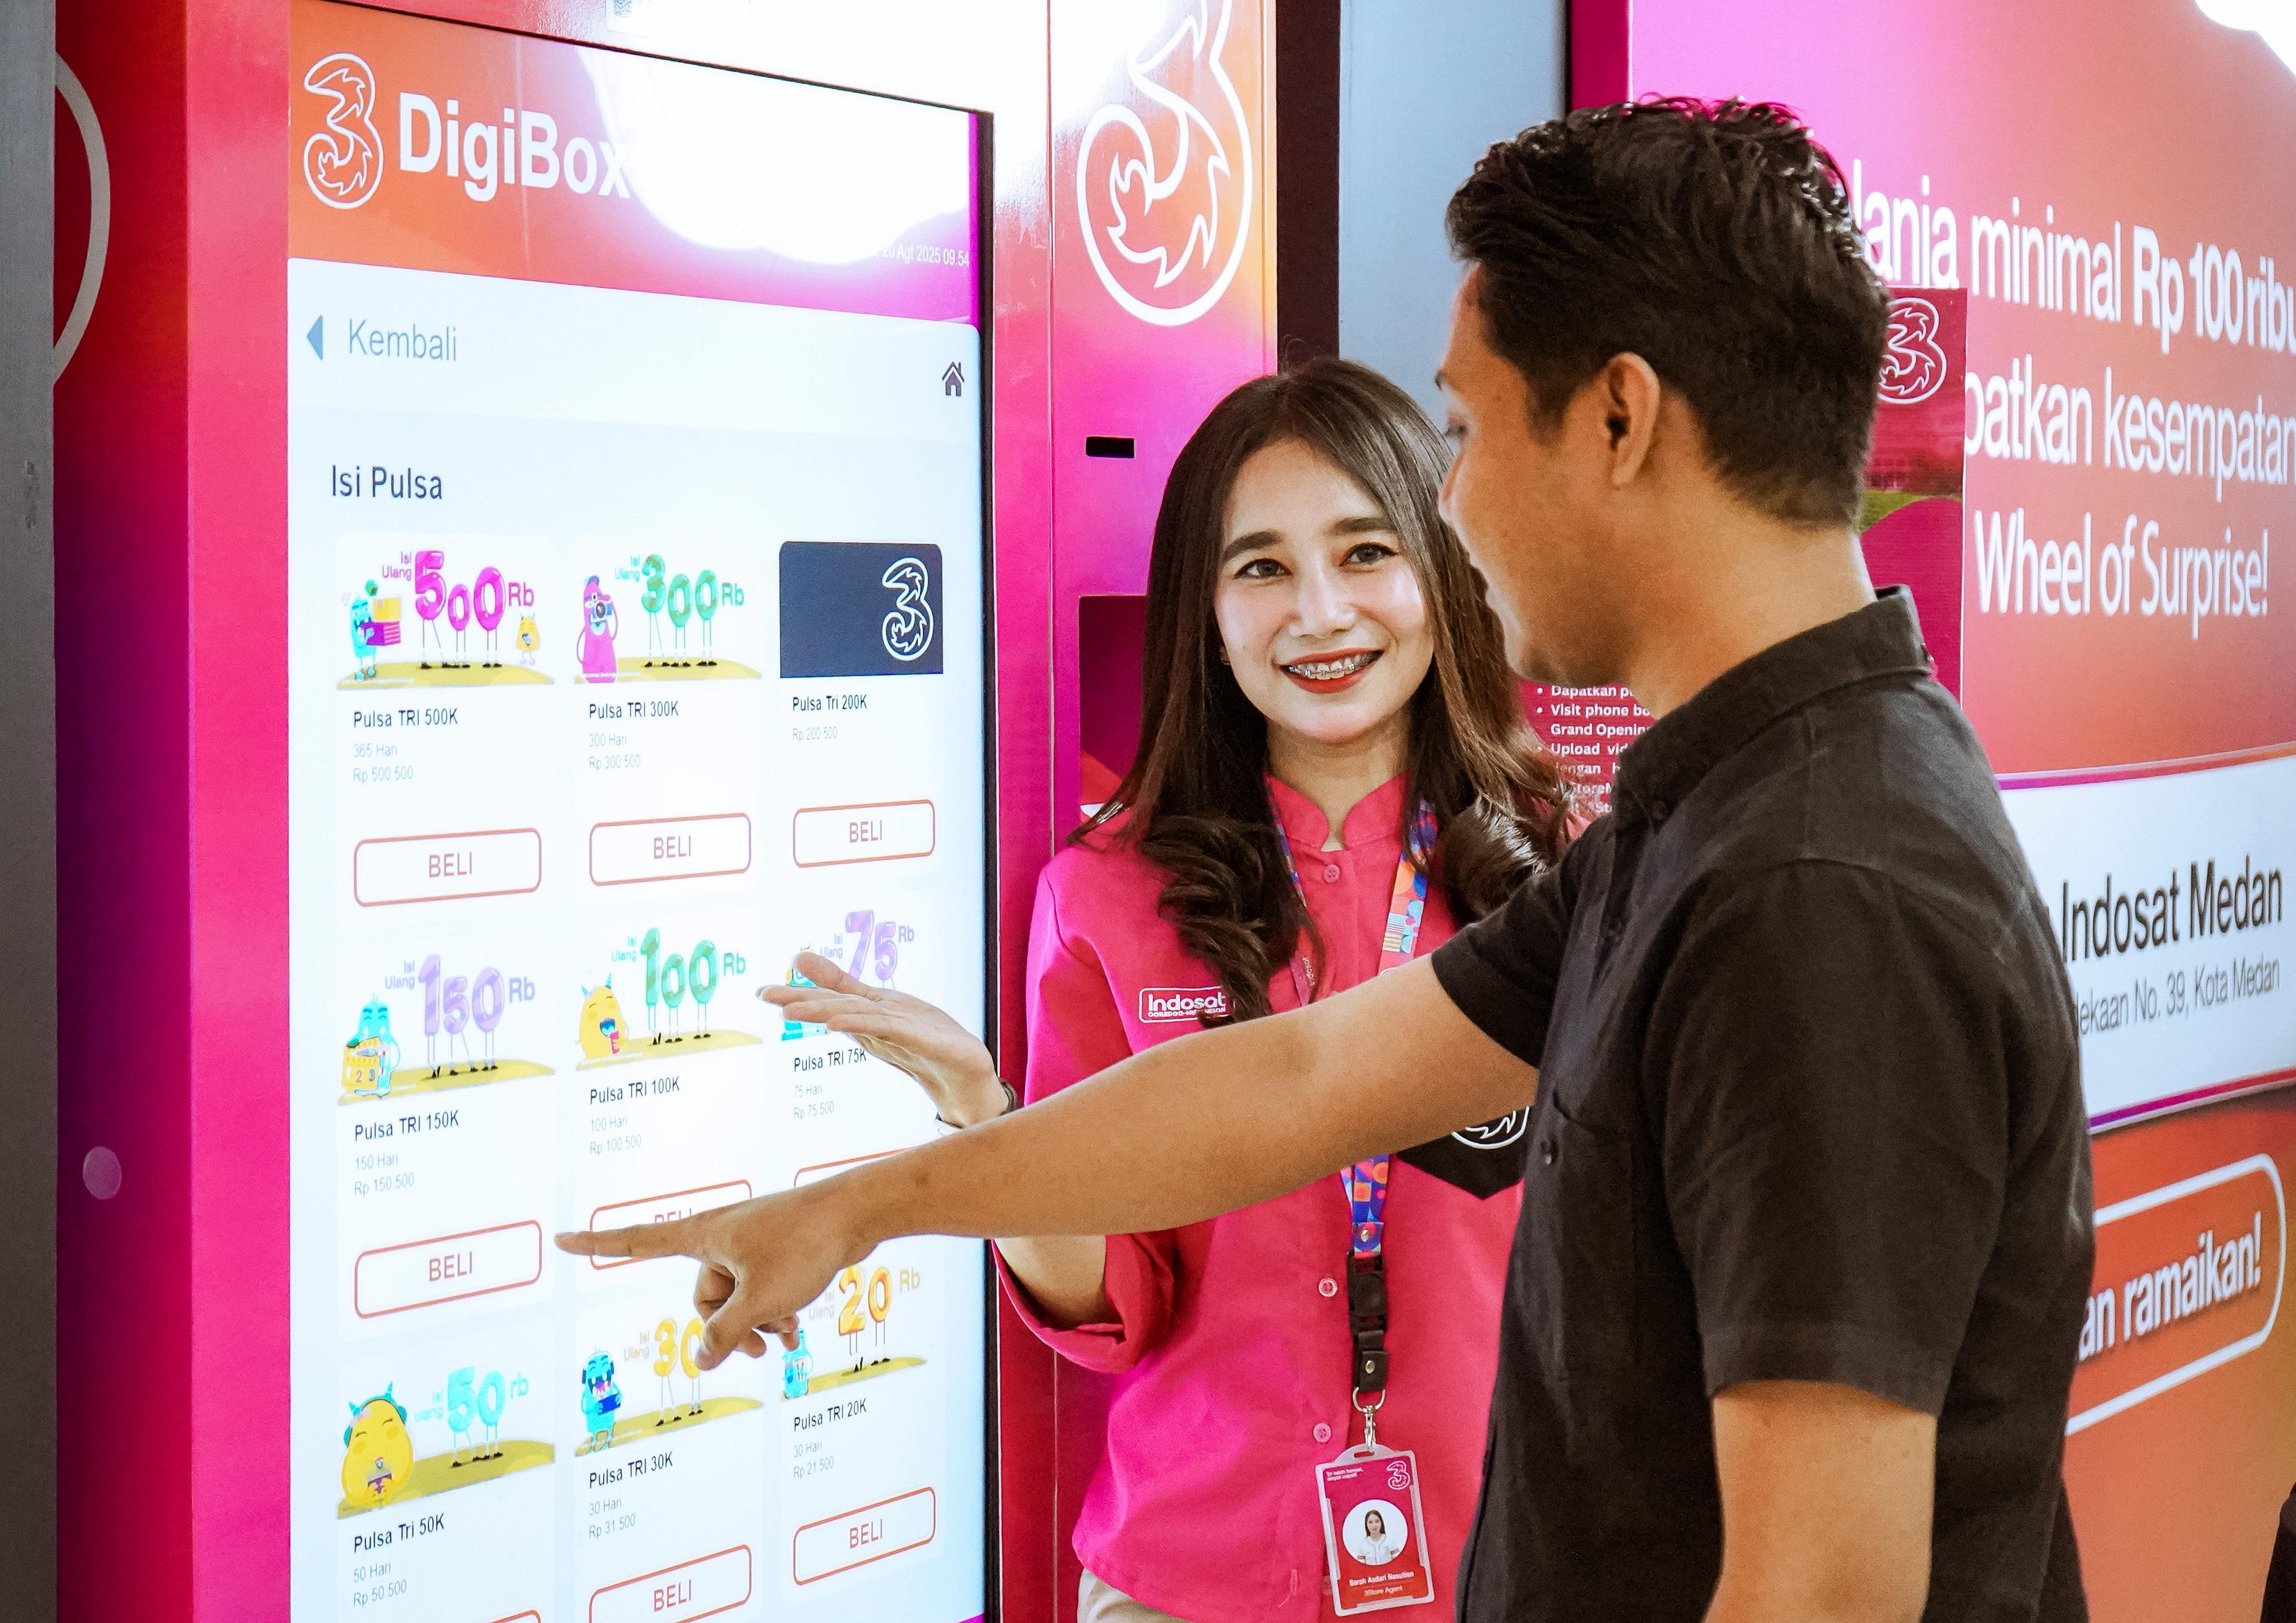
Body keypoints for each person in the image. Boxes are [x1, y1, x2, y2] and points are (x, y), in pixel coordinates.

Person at [565, 98, 2094, 1623]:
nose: (1453, 508)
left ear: (1618, 422)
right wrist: (862, 1205)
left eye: (1465, 432)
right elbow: (1303, 1084)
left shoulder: (1816, 891)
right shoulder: (1716, 817)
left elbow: (1821, 1594)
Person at [845, 358, 1571, 1623]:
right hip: (1197, 1575)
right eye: (1262, 569)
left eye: (1364, 552)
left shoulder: (1558, 878)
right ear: (1207, 610)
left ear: (1441, 570)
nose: (1321, 613)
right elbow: (1107, 1302)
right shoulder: (1106, 897)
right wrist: (984, 1117)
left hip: (1514, 1564)